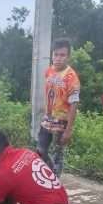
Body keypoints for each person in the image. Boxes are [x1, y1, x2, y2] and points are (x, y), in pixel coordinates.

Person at [37, 38, 80, 177]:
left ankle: (55, 184)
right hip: (47, 119)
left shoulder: (71, 77)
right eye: (55, 54)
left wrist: (68, 130)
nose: (58, 58)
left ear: (68, 56)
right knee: (40, 151)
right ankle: (46, 175)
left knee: (57, 157)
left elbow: (74, 104)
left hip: (61, 123)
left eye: (62, 55)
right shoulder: (49, 71)